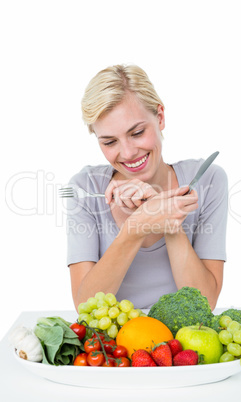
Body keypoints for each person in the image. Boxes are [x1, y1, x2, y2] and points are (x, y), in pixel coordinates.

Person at [66, 64, 228, 312]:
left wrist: (165, 217)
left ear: (160, 117)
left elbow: (204, 304)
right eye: (110, 141)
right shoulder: (85, 189)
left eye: (138, 132)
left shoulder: (207, 180)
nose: (129, 153)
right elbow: (86, 306)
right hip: (115, 347)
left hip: (182, 345)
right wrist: (136, 227)